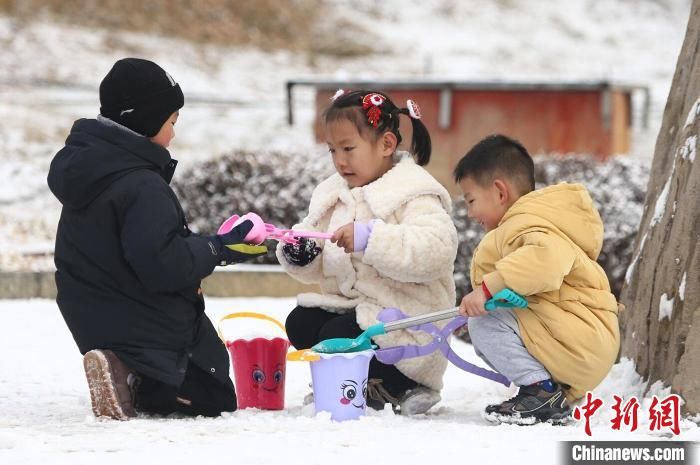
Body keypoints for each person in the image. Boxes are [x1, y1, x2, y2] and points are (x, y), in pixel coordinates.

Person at [47, 58, 267, 420]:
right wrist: (216, 248)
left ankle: (126, 368)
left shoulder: (91, 171)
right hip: (140, 317)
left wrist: (213, 245)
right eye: (171, 122)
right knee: (214, 394)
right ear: (146, 121)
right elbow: (164, 266)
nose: (174, 134)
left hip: (90, 314)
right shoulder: (141, 184)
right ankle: (130, 376)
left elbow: (144, 247)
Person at [277, 89, 458, 415]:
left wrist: (370, 239)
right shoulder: (333, 194)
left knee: (339, 334)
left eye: (348, 148)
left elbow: (437, 250)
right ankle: (354, 378)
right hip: (357, 308)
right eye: (333, 150)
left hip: (406, 317)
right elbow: (315, 238)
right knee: (301, 323)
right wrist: (302, 252)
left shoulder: (414, 192)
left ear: (387, 145)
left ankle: (400, 384)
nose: (339, 160)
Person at [454, 134, 620, 425]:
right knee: (493, 320)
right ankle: (548, 392)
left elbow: (546, 260)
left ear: (499, 192)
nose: (469, 213)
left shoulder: (525, 224)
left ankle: (541, 394)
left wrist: (488, 289)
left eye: (471, 200)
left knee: (485, 324)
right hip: (581, 340)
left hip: (578, 338)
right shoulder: (534, 222)